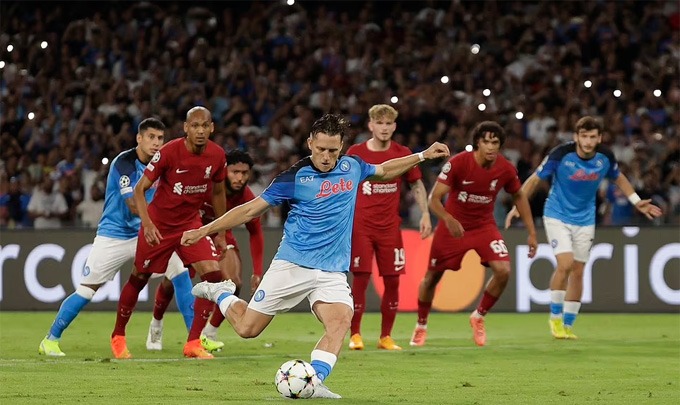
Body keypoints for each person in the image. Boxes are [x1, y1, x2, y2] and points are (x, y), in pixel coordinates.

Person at [182, 113, 450, 398]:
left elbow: (384, 170)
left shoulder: (352, 166)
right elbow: (249, 210)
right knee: (248, 329)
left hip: (332, 271)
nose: (326, 156)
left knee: (340, 321)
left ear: (341, 146)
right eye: (321, 149)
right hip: (292, 265)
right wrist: (204, 230)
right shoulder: (294, 177)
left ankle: (315, 381)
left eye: (333, 150)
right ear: (310, 143)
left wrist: (422, 155)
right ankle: (221, 293)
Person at [38, 118, 193, 356]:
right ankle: (50, 339)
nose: (156, 143)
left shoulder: (164, 164)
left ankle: (194, 340)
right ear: (139, 138)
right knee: (87, 290)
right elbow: (132, 204)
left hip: (146, 232)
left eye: (160, 138)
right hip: (115, 234)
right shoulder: (124, 163)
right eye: (151, 137)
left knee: (180, 272)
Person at [505, 116, 662, 339]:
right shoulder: (561, 154)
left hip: (585, 219)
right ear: (576, 136)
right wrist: (518, 205)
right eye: (584, 136)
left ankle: (568, 325)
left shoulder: (605, 157)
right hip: (557, 214)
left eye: (592, 137)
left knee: (578, 271)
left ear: (599, 138)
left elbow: (619, 178)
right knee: (566, 264)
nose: (588, 141)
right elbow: (535, 179)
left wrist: (636, 201)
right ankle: (555, 318)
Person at [110, 106, 228, 359]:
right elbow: (140, 189)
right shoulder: (168, 152)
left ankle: (193, 342)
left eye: (204, 125)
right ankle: (118, 335)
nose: (200, 131)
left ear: (212, 128)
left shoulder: (218, 155)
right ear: (186, 128)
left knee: (214, 275)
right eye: (194, 126)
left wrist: (221, 232)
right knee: (139, 277)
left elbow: (218, 192)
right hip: (159, 225)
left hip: (190, 225)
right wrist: (148, 224)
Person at [410, 121, 538, 348]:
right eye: (486, 141)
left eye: (495, 142)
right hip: (453, 227)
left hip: (484, 227)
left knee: (504, 270)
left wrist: (531, 232)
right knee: (432, 278)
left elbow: (519, 196)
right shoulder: (459, 163)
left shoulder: (506, 168)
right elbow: (434, 199)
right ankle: (421, 326)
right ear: (477, 143)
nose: (490, 147)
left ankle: (478, 316)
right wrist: (448, 219)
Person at [145, 150, 264, 352]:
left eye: (244, 173)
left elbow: (256, 232)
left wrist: (258, 271)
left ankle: (209, 332)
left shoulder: (246, 197)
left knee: (233, 283)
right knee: (170, 282)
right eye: (235, 172)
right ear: (224, 170)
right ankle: (156, 323)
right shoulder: (206, 186)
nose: (240, 178)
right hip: (190, 232)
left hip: (221, 236)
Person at [345, 104, 431, 351]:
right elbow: (344, 185)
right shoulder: (356, 153)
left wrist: (425, 213)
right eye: (379, 123)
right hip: (361, 226)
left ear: (394, 126)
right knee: (360, 279)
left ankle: (386, 337)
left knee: (393, 281)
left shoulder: (402, 153)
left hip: (390, 228)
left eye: (388, 123)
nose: (384, 128)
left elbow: (416, 184)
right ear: (370, 125)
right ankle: (355, 334)